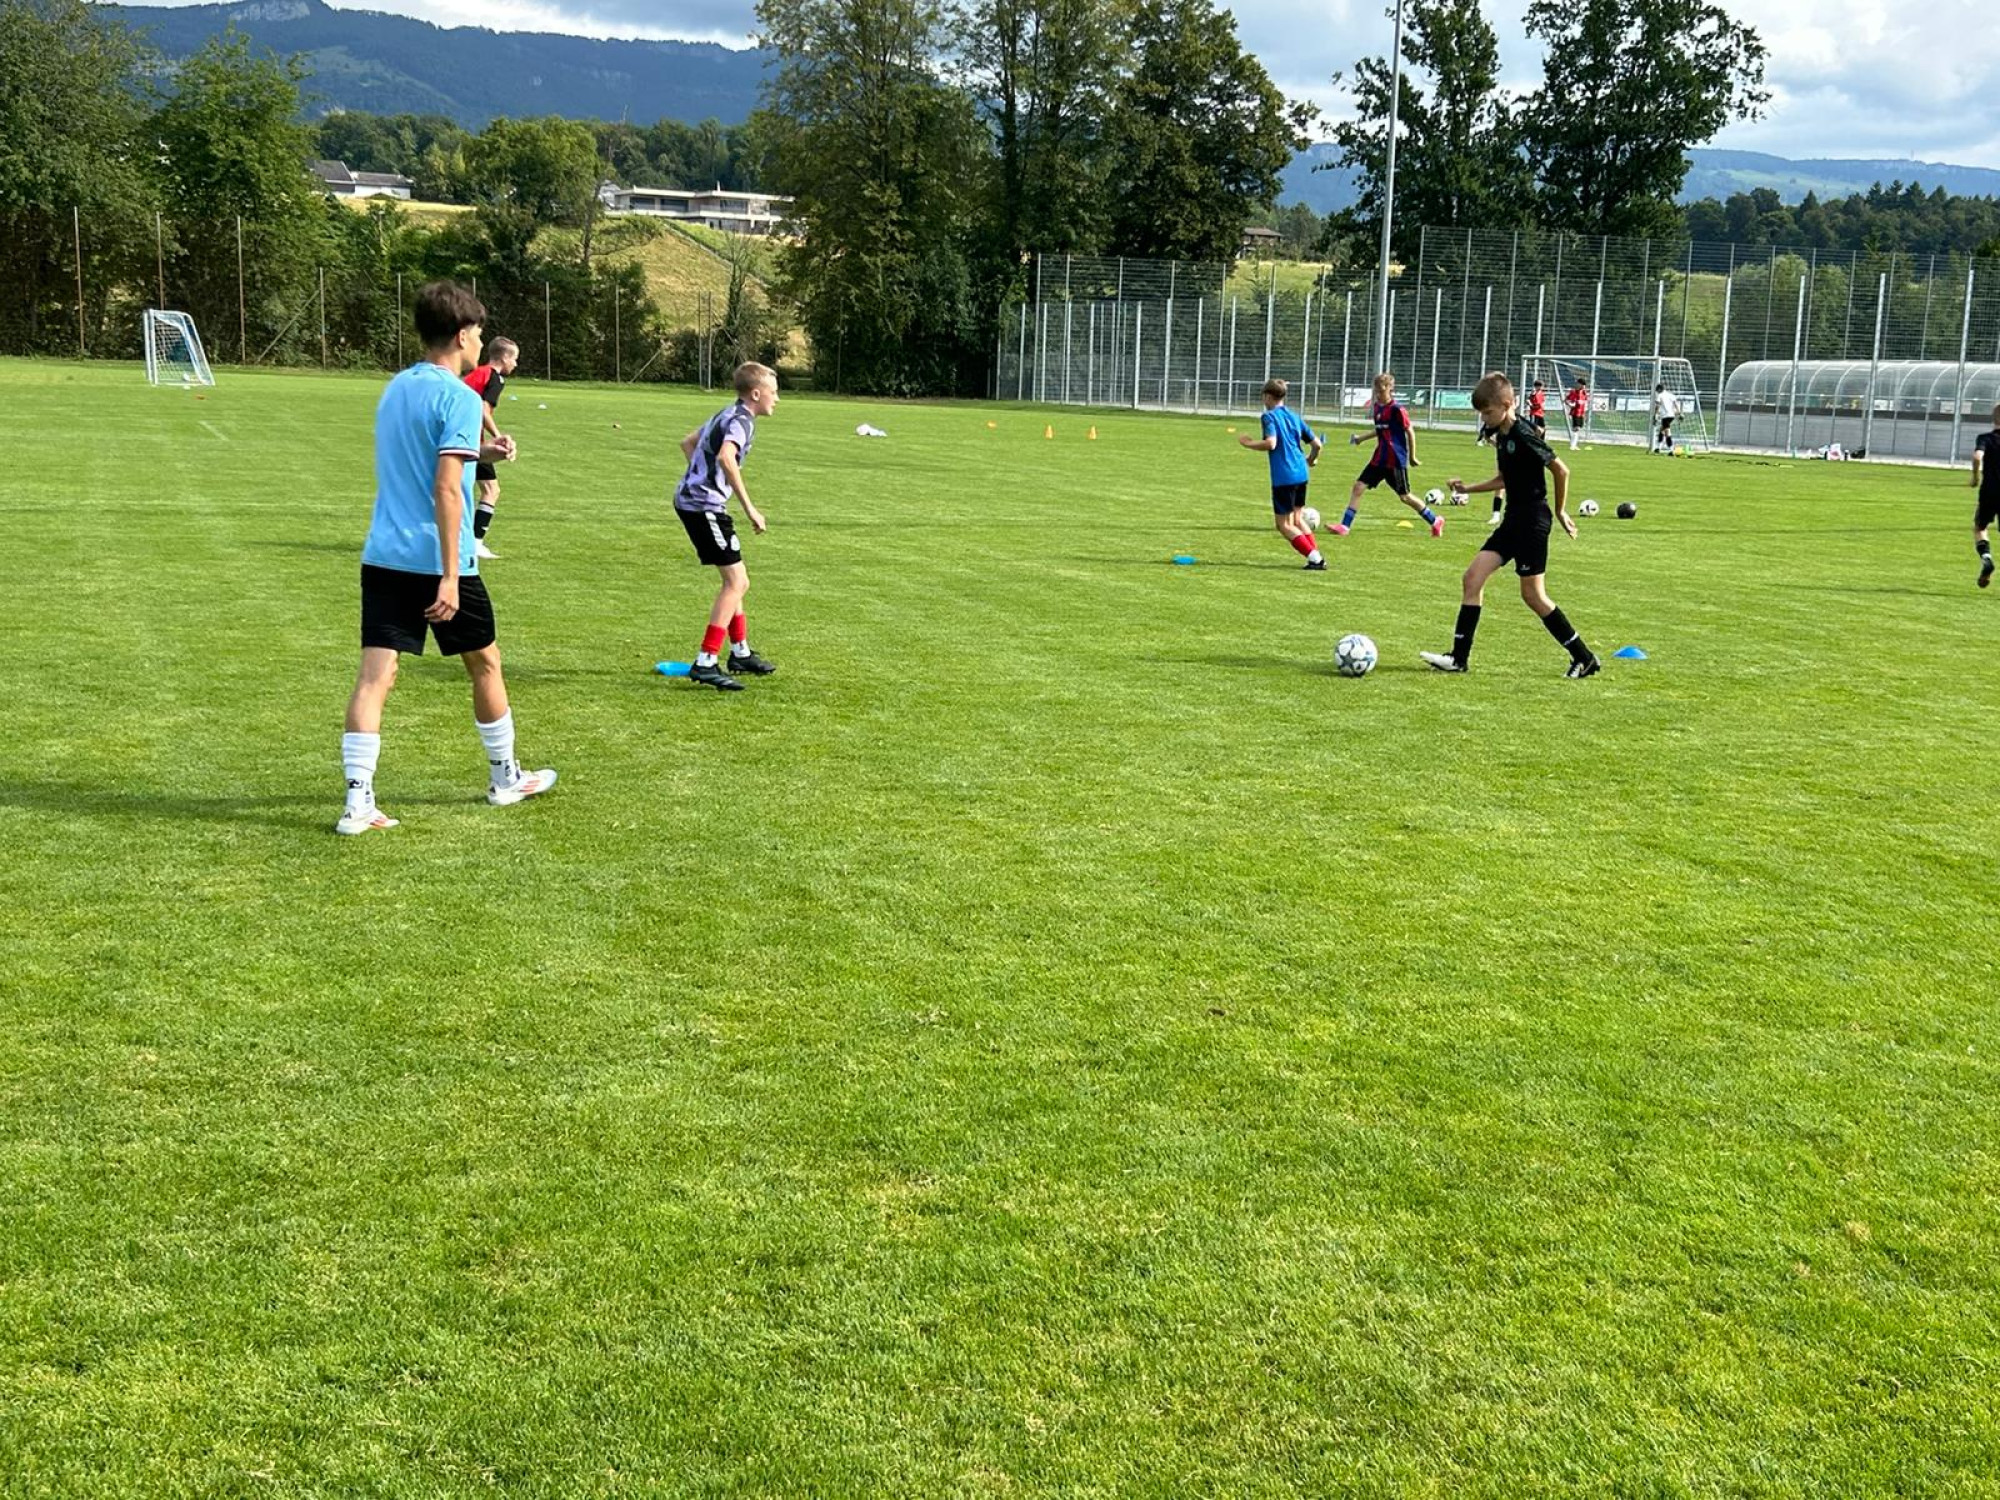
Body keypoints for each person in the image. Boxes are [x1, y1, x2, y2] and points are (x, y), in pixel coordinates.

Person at [338, 283, 557, 836]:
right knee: (485, 664)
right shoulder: (459, 396)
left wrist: (482, 452)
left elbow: (425, 455)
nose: (481, 341)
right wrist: (452, 575)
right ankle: (504, 778)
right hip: (438, 561)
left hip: (384, 555)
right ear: (462, 336)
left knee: (375, 677)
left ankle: (357, 803)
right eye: (479, 333)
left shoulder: (396, 387)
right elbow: (445, 487)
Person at [1421, 371, 1600, 679]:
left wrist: (1560, 511)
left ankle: (1584, 658)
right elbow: (1505, 479)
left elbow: (1561, 470)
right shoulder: (1502, 435)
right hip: (1514, 519)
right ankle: (1458, 658)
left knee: (1533, 596)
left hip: (1533, 520)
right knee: (1472, 578)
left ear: (1507, 405)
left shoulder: (1523, 434)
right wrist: (1467, 489)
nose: (1484, 418)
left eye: (1488, 412)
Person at [673, 361, 780, 690]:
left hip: (696, 502)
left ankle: (740, 652)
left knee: (737, 579)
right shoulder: (742, 421)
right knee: (736, 582)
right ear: (756, 394)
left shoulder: (727, 413)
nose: (777, 399)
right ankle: (706, 660)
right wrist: (750, 509)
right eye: (774, 393)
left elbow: (688, 443)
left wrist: (702, 478)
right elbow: (725, 457)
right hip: (702, 507)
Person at [1333, 373, 1442, 538]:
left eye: (1381, 389)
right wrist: (1361, 439)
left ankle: (1435, 521)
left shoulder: (1397, 409)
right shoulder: (1377, 407)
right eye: (1376, 389)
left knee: (1405, 497)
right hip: (1379, 459)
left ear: (1390, 388)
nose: (1378, 392)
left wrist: (1412, 457)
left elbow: (1410, 432)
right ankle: (1344, 526)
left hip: (1395, 460)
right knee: (1358, 487)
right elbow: (1380, 430)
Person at [1237, 377, 1327, 570]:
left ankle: (1316, 559)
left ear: (1268, 396)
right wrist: (1311, 459)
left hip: (1284, 476)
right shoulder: (1294, 416)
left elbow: (1271, 443)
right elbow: (1317, 444)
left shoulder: (1269, 417)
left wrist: (1248, 443)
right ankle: (1315, 555)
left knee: (1283, 525)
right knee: (1297, 519)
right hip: (1301, 473)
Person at [462, 336, 519, 559]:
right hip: (467, 438)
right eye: (514, 359)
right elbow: (482, 409)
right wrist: (498, 437)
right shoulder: (495, 378)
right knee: (490, 490)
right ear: (504, 358)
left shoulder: (477, 373)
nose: (515, 364)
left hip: (455, 434)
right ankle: (474, 543)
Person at [1973, 402, 2000, 588]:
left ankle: (1986, 557)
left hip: (1989, 491)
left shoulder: (1985, 438)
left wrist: (1975, 477)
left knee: (1980, 527)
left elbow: (1977, 456)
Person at [1651, 383, 1681, 454]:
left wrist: (1655, 415)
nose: (1657, 392)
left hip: (1665, 416)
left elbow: (1657, 405)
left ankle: (1671, 450)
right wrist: (1679, 412)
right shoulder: (1670, 395)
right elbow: (1675, 404)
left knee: (1667, 432)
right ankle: (1658, 448)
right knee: (1662, 430)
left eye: (1657, 390)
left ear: (1659, 389)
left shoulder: (1660, 395)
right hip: (1672, 415)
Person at [1564, 377, 1590, 450]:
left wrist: (1585, 413)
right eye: (1582, 384)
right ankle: (1572, 445)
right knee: (1576, 428)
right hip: (1575, 412)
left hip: (1581, 413)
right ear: (1579, 384)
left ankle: (1574, 445)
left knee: (1578, 429)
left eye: (1584, 385)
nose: (1584, 386)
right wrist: (1570, 404)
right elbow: (1566, 400)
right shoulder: (1573, 392)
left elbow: (1585, 402)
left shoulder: (1584, 392)